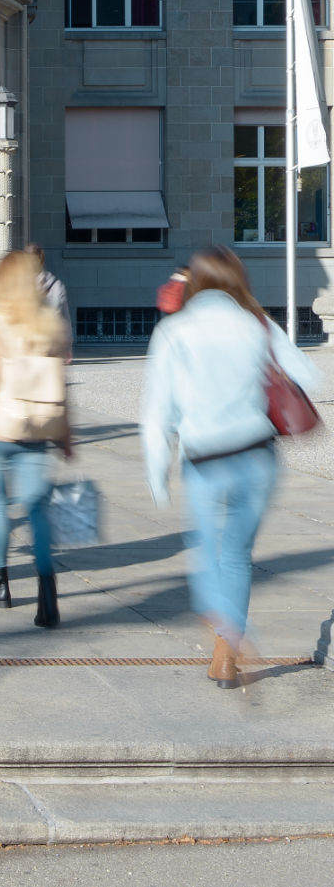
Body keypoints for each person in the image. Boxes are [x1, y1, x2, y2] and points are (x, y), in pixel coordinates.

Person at [141, 246, 320, 690]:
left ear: (195, 282)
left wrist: (157, 471)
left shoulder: (175, 331)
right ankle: (226, 655)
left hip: (206, 457)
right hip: (257, 454)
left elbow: (157, 410)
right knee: (237, 556)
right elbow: (307, 374)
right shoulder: (256, 323)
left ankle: (230, 634)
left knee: (206, 550)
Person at [0, 250, 74, 627]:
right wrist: (65, 432)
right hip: (37, 426)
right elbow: (60, 380)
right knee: (37, 508)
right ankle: (47, 587)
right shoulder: (47, 322)